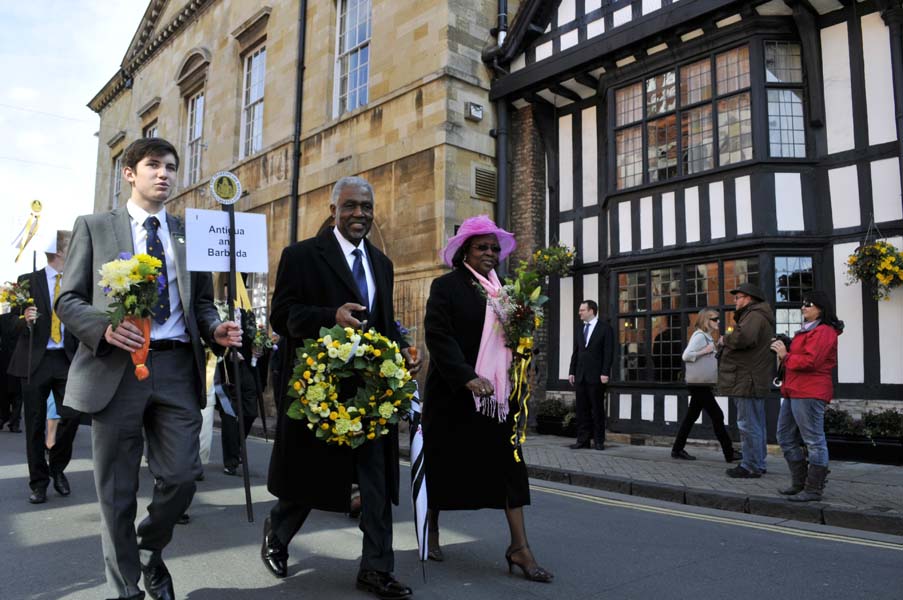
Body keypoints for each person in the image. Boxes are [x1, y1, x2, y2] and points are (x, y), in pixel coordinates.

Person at [55, 137, 242, 600]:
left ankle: (148, 549)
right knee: (117, 494)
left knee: (181, 477)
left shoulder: (187, 233)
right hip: (115, 370)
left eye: (171, 167)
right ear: (129, 173)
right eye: (153, 165)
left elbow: (200, 304)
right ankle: (128, 591)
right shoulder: (95, 227)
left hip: (177, 367)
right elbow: (68, 299)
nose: (164, 174)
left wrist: (215, 328)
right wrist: (104, 328)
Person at [262, 176, 421, 600]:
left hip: (371, 393)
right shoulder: (301, 256)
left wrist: (403, 350)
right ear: (333, 211)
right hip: (319, 391)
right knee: (312, 478)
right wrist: (329, 315)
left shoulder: (382, 264)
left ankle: (375, 568)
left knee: (375, 482)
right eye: (351, 206)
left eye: (366, 207)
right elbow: (282, 317)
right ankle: (277, 533)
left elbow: (384, 324)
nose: (360, 215)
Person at [422, 214, 553, 583]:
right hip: (454, 394)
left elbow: (515, 339)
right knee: (443, 465)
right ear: (466, 250)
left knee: (511, 468)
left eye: (495, 248)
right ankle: (430, 528)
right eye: (483, 247)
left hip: (498, 397)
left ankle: (519, 548)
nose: (491, 253)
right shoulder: (446, 286)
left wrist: (524, 358)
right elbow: (438, 335)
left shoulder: (506, 290)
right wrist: (466, 377)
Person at [7, 231, 81, 504]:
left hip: (66, 358)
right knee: (35, 423)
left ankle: (57, 468)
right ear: (61, 252)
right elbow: (11, 321)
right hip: (34, 361)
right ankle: (38, 482)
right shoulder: (29, 281)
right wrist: (23, 318)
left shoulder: (76, 280)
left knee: (72, 415)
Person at [772, 291, 843, 502]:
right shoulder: (806, 331)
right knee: (784, 436)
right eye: (803, 304)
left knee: (814, 440)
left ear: (820, 308)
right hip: (795, 389)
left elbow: (811, 362)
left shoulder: (824, 332)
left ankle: (813, 489)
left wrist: (785, 355)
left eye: (808, 305)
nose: (803, 308)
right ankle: (800, 483)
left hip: (810, 391)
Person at [717, 282, 775, 479]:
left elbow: (744, 338)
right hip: (751, 378)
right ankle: (757, 462)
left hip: (746, 379)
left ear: (749, 299)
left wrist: (725, 339)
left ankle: (750, 465)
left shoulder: (754, 315)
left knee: (748, 424)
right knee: (756, 424)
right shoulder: (757, 314)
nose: (735, 301)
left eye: (738, 297)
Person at [672, 308, 739, 462]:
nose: (718, 321)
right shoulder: (699, 336)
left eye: (718, 319)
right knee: (717, 415)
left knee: (691, 416)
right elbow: (686, 355)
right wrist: (705, 351)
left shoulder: (707, 337)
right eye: (715, 319)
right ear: (706, 321)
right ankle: (729, 453)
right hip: (699, 384)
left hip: (702, 383)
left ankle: (677, 449)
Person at [568, 300, 614, 451]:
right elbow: (576, 351)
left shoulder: (605, 329)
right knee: (582, 410)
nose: (579, 313)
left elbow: (608, 353)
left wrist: (605, 372)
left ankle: (599, 441)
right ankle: (583, 440)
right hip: (580, 375)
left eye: (582, 310)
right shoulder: (580, 329)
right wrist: (571, 371)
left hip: (597, 376)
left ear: (591, 311)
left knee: (597, 409)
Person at [0, 311, 24, 432]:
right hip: (19, 359)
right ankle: (14, 423)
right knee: (18, 394)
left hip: (3, 358)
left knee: (3, 390)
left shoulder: (2, 319)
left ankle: (2, 417)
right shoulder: (24, 321)